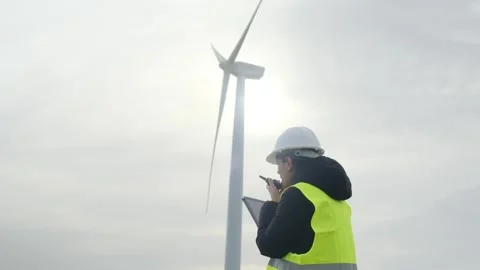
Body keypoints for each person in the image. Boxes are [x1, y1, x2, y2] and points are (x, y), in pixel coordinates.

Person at [256, 126, 357, 270]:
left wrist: (273, 204)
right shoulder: (335, 200)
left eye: (279, 163)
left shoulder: (297, 195)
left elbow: (268, 245)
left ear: (289, 163)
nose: (278, 170)